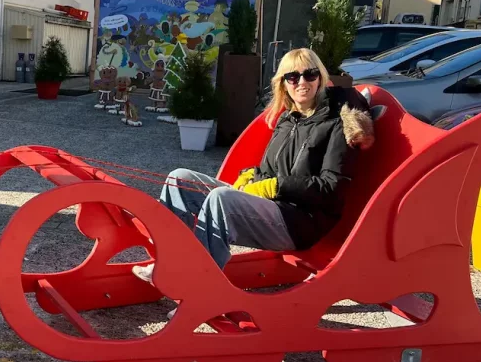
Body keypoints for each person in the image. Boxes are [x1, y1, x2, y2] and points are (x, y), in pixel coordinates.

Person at [133, 48, 375, 286]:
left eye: (309, 74)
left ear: (320, 78)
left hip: (302, 223)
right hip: (274, 208)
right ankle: (169, 263)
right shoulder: (288, 119)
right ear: (284, 84)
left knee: (221, 199)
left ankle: (199, 287)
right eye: (292, 77)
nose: (302, 82)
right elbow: (269, 169)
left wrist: (276, 186)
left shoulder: (337, 123)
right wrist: (251, 177)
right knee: (180, 179)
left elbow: (332, 187)